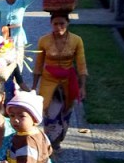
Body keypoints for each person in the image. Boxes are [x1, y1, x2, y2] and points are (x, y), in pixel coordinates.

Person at [32, 11, 87, 149]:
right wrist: (33, 87)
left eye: (62, 23)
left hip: (68, 80)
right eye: (55, 24)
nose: (58, 27)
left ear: (68, 23)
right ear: (51, 24)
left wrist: (82, 87)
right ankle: (50, 143)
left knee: (66, 111)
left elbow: (81, 65)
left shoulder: (77, 40)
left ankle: (58, 141)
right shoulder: (44, 40)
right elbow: (38, 65)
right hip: (48, 80)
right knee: (49, 112)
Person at [0, 0, 41, 91]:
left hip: (18, 38)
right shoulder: (1, 4)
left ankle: (17, 88)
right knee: (4, 62)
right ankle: (6, 88)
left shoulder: (22, 2)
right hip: (4, 38)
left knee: (18, 63)